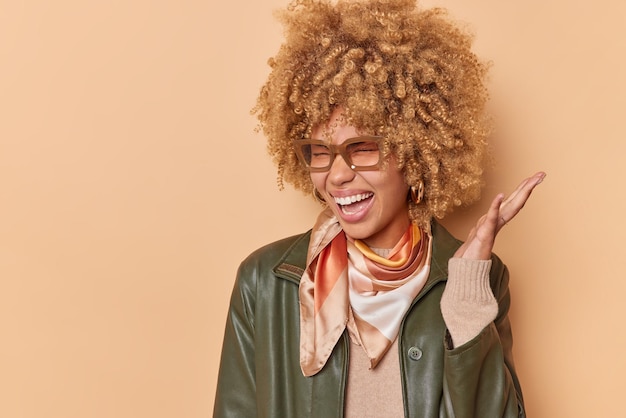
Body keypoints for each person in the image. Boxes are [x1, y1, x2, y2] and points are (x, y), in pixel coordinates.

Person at [213, 0, 545, 416]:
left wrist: (466, 291)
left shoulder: (478, 279)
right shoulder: (264, 284)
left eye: (363, 148)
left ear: (416, 151)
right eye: (320, 151)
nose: (336, 176)